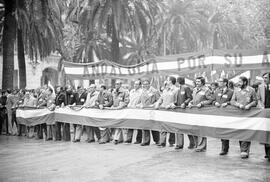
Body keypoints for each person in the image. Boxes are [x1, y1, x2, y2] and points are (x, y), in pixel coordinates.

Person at [230, 76, 257, 159]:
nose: (238, 83)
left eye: (240, 82)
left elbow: (255, 101)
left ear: (245, 82)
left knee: (247, 131)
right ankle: (243, 149)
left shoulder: (251, 90)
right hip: (239, 114)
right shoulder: (236, 90)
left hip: (249, 114)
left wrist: (249, 105)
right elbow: (232, 101)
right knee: (240, 132)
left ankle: (244, 150)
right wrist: (239, 105)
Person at [188, 77, 213, 152]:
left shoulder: (207, 90)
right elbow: (194, 99)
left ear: (202, 82)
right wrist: (190, 102)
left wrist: (202, 103)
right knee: (194, 128)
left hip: (202, 112)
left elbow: (210, 100)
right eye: (196, 81)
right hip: (194, 112)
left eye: (198, 81)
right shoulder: (195, 89)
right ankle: (197, 145)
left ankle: (202, 146)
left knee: (201, 129)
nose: (197, 83)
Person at [155, 77, 178, 147]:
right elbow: (161, 98)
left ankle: (171, 142)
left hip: (172, 111)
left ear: (170, 81)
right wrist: (157, 104)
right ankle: (162, 142)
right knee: (162, 126)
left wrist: (171, 105)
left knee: (171, 126)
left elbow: (177, 101)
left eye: (167, 80)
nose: (166, 81)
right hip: (163, 110)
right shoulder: (165, 90)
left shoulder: (176, 90)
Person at [213, 78, 234, 155]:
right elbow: (213, 100)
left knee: (226, 131)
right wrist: (215, 103)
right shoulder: (217, 91)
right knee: (221, 130)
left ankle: (224, 149)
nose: (218, 82)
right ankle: (224, 148)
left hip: (228, 114)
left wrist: (228, 103)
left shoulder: (231, 92)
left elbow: (233, 101)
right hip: (219, 114)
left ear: (225, 83)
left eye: (220, 81)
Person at [137, 79, 160, 146]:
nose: (145, 85)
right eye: (144, 84)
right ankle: (146, 141)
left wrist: (154, 104)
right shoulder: (143, 91)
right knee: (145, 125)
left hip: (152, 110)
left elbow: (159, 100)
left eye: (146, 84)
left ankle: (157, 140)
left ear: (149, 84)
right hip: (144, 110)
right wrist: (140, 104)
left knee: (153, 126)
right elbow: (141, 101)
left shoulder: (154, 91)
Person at [174, 77, 192, 150]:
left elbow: (190, 97)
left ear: (178, 82)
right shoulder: (178, 89)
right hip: (179, 111)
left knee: (187, 128)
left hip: (185, 111)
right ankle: (179, 144)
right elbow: (177, 100)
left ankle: (192, 143)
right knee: (178, 128)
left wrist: (185, 103)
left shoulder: (186, 88)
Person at [111, 80, 130, 145]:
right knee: (117, 125)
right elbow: (113, 101)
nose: (116, 85)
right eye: (116, 84)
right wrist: (112, 106)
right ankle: (117, 139)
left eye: (118, 84)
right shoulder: (114, 92)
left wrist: (121, 106)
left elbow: (126, 101)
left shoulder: (125, 92)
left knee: (124, 125)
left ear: (121, 84)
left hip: (122, 110)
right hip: (116, 110)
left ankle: (125, 139)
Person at [257, 72, 270, 161]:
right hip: (265, 113)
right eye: (263, 78)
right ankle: (267, 153)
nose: (264, 79)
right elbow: (258, 98)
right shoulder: (260, 87)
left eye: (266, 77)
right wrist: (260, 105)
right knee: (265, 132)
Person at [126, 80, 143, 144]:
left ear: (140, 85)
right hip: (131, 110)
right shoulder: (131, 91)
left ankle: (138, 140)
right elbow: (129, 100)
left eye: (137, 84)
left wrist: (137, 106)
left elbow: (142, 102)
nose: (135, 85)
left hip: (138, 110)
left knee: (139, 125)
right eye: (135, 84)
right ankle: (128, 139)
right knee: (130, 124)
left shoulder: (142, 92)